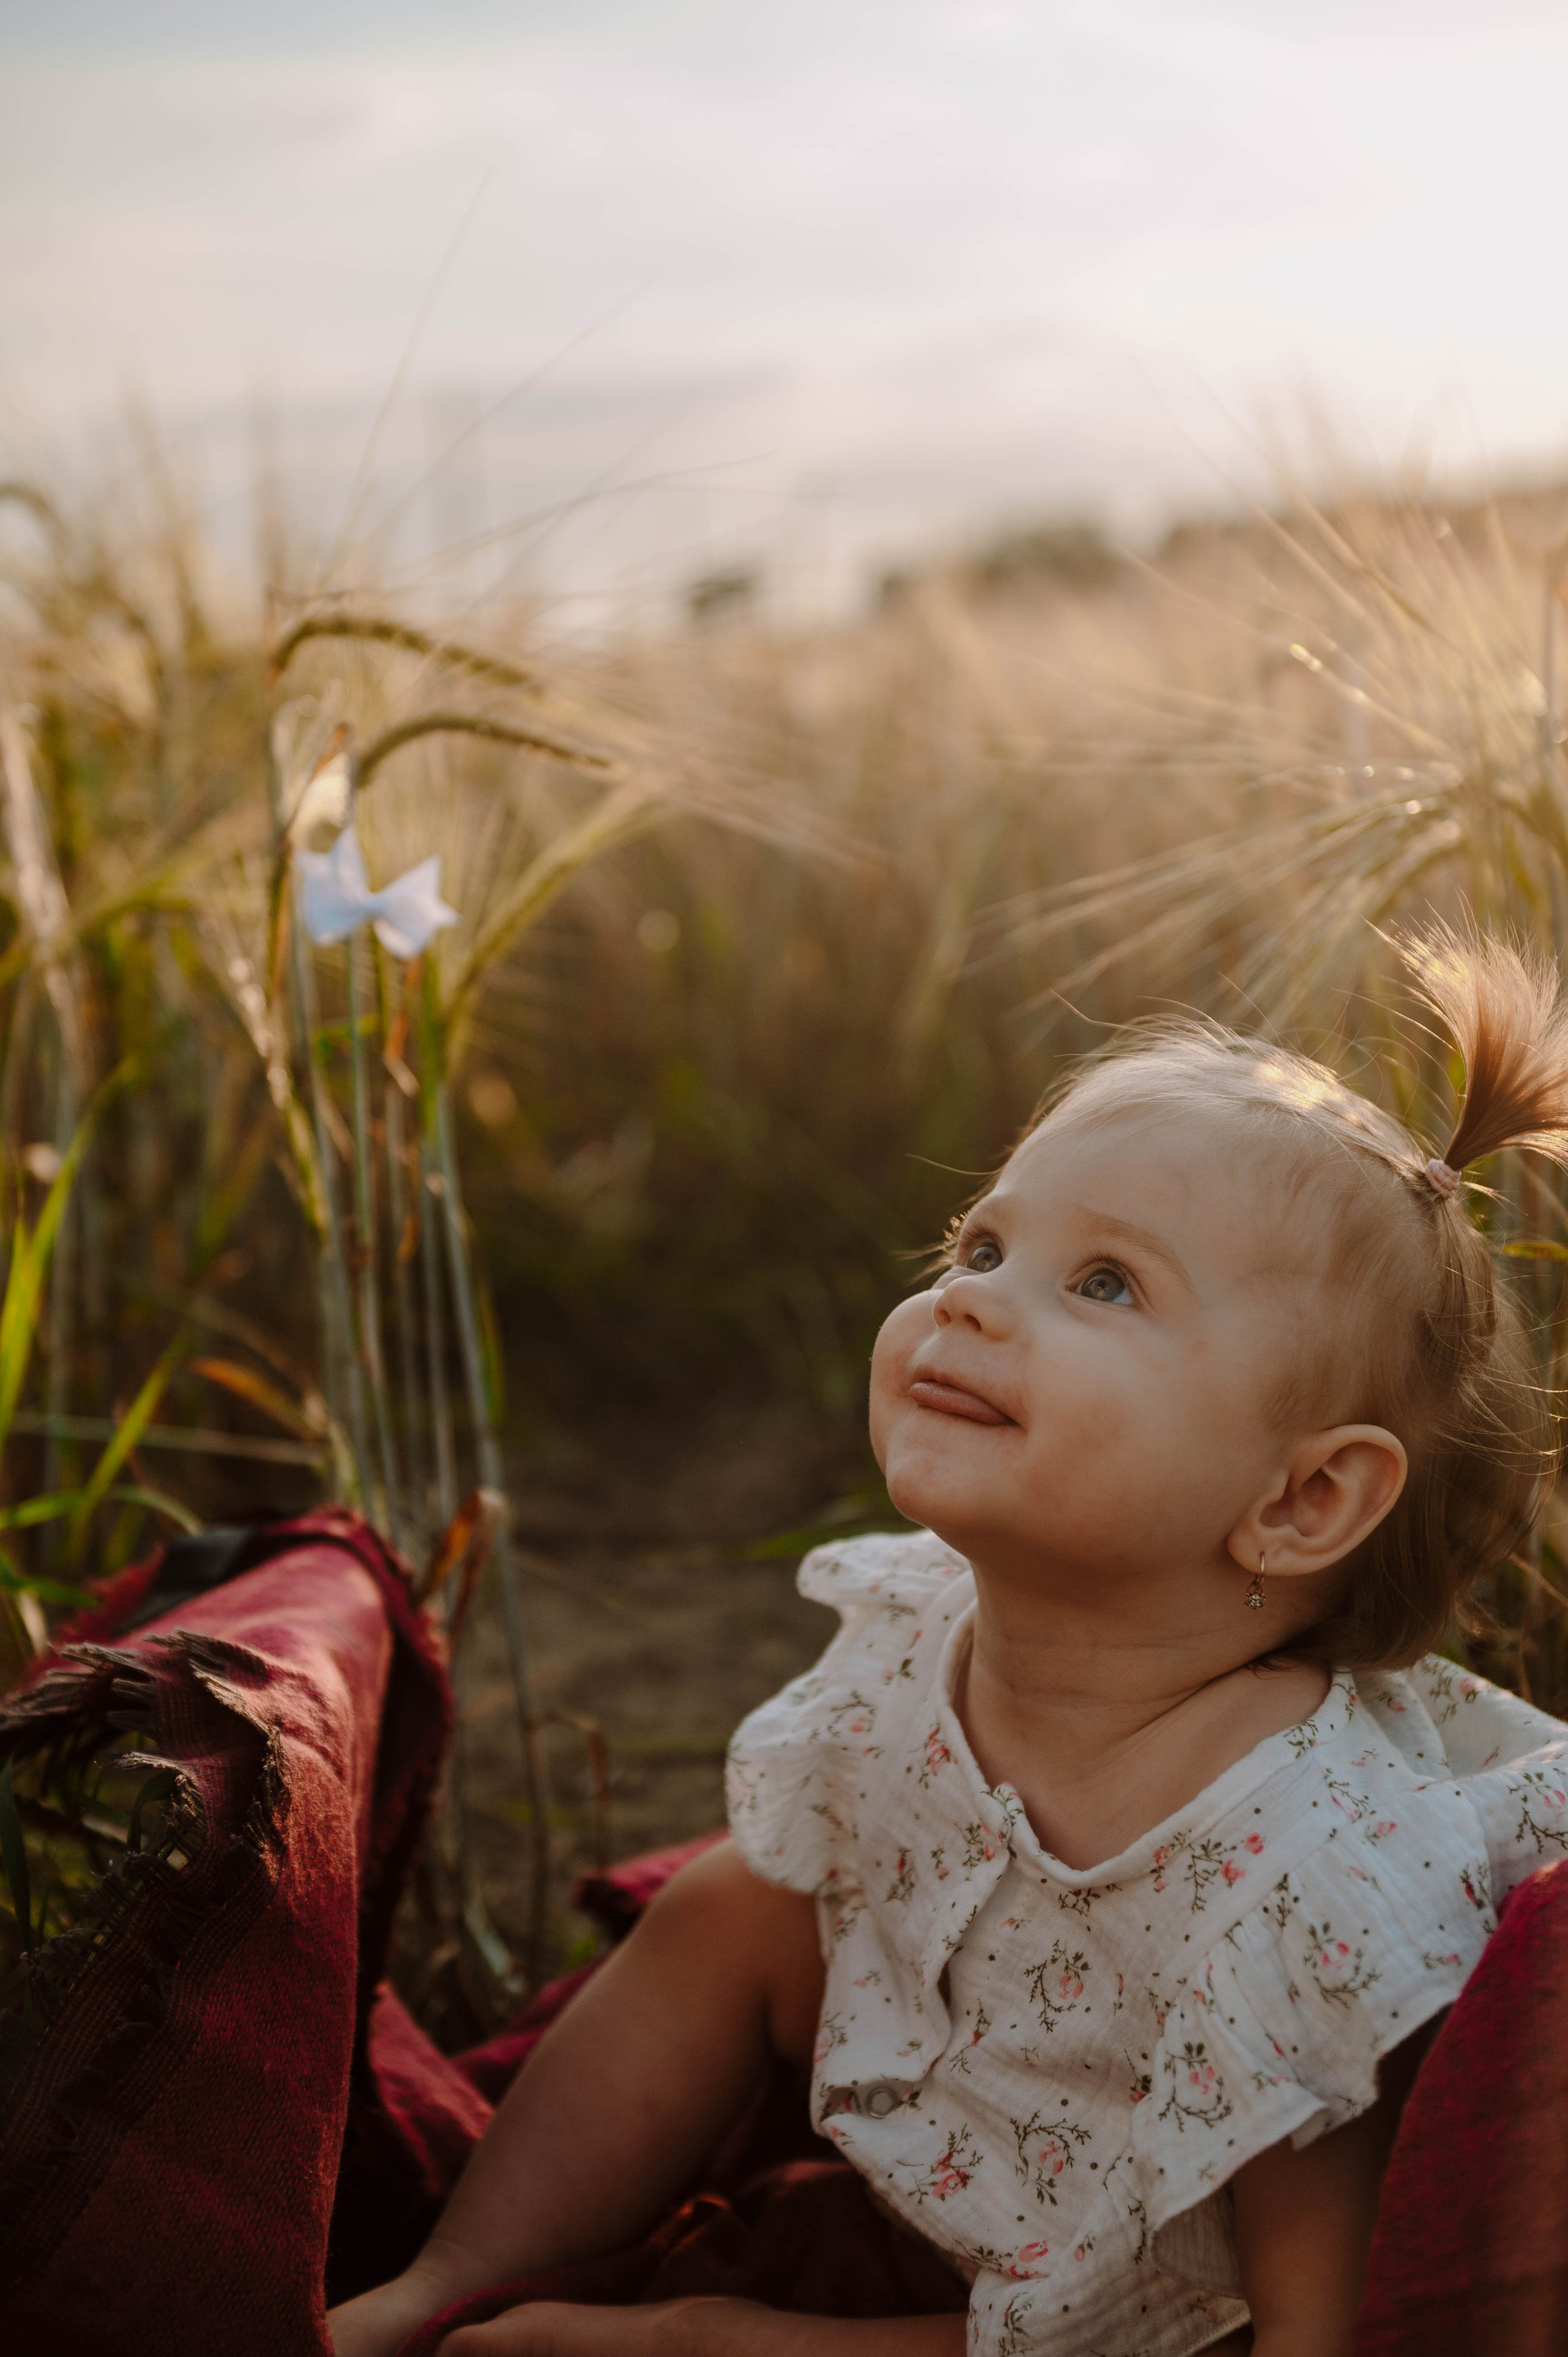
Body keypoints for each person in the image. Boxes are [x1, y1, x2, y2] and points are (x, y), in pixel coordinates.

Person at [330, 924, 1568, 2357]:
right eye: (980, 1242)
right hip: (985, 2117)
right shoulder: (916, 1625)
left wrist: (713, 2333)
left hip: (1141, 2310)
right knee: (740, 1904)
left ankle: (683, 2335)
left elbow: (1306, 2329)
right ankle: (443, 2279)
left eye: (1103, 1282)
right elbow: (814, 1884)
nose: (969, 1296)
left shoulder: (1302, 1885)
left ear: (1300, 1499)